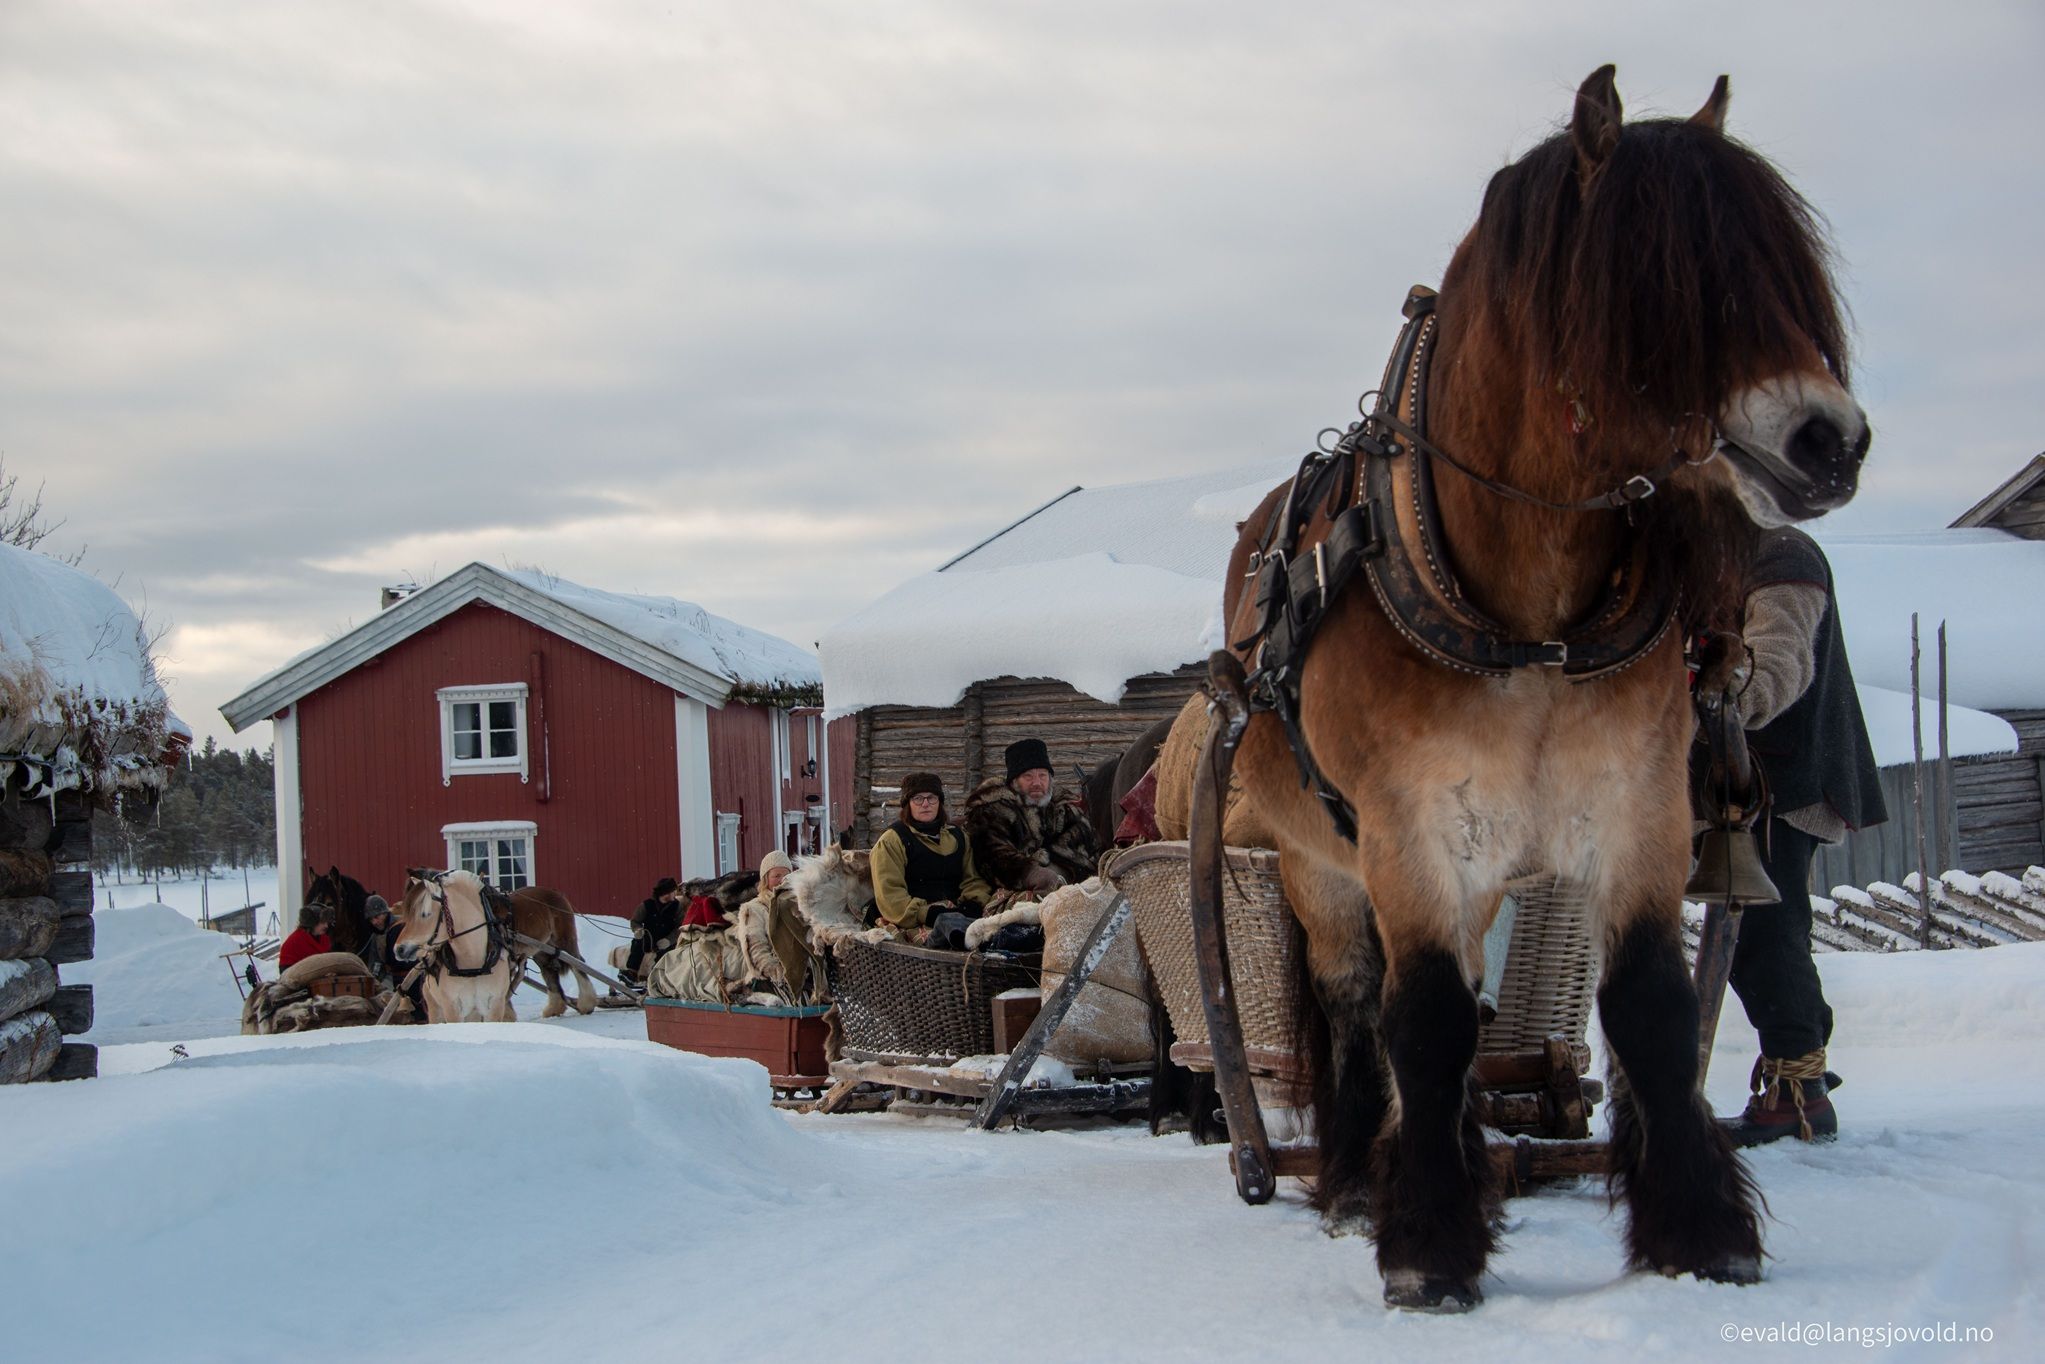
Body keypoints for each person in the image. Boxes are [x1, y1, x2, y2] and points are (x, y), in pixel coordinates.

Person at [1715, 527, 1887, 1147]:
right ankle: (1795, 1083)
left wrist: (1730, 704)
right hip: (1741, 783)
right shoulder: (1709, 557)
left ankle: (1799, 1096)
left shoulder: (1779, 554)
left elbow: (1781, 655)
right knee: (1754, 934)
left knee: (1766, 933)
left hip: (1785, 779)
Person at [963, 738, 1099, 899]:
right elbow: (994, 858)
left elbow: (1087, 845)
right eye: (1028, 776)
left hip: (1069, 888)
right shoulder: (993, 809)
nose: (1037, 783)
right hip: (1015, 889)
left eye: (1042, 775)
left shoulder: (1063, 808)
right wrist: (1031, 872)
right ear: (1014, 781)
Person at [870, 773, 994, 947]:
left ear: (939, 802)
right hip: (913, 920)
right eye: (918, 798)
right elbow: (890, 896)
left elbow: (973, 878)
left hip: (957, 911)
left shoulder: (958, 837)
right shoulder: (892, 841)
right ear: (908, 804)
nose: (926, 804)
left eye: (932, 798)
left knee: (996, 928)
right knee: (948, 940)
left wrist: (972, 903)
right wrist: (926, 913)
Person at [734, 849, 824, 1002]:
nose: (782, 880)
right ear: (765, 879)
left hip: (807, 977)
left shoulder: (800, 906)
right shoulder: (754, 909)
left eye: (786, 875)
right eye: (776, 876)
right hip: (772, 981)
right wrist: (781, 974)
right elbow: (757, 951)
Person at [624, 877, 682, 985]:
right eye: (674, 891)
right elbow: (635, 921)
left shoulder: (677, 906)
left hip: (666, 942)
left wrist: (669, 940)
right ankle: (631, 974)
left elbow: (680, 927)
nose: (675, 893)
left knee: (665, 955)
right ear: (667, 893)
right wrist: (637, 930)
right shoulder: (646, 905)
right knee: (637, 943)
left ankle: (656, 980)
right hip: (648, 938)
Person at [278, 903, 334, 971]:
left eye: (326, 922)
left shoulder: (325, 939)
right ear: (312, 923)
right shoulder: (293, 943)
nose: (326, 926)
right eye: (322, 922)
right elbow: (286, 973)